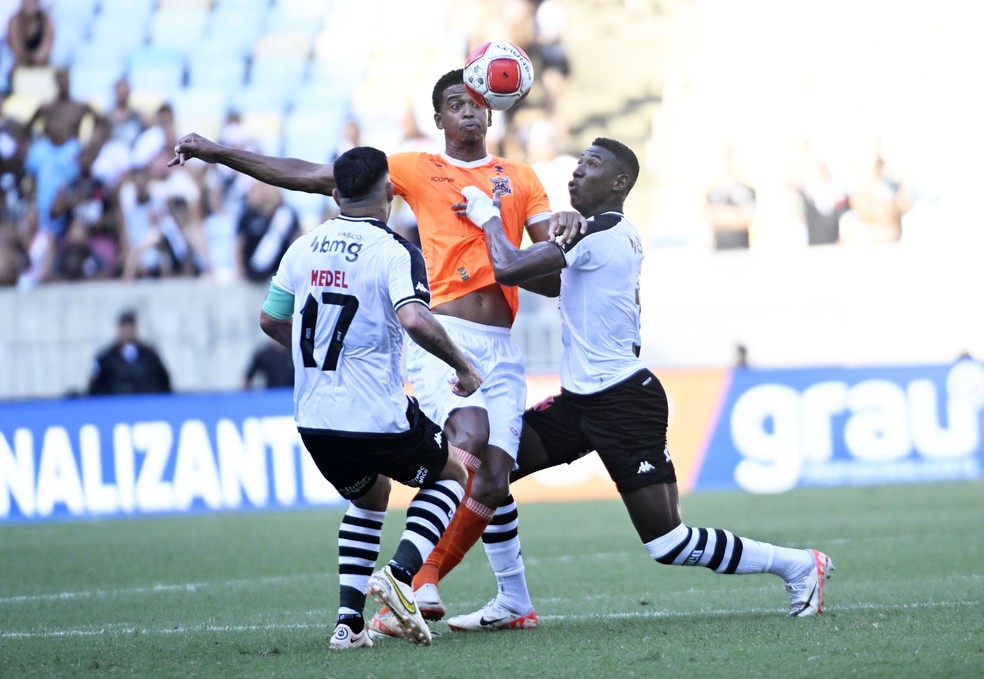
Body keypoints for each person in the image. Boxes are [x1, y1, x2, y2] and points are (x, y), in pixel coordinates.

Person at [171, 69, 584, 635]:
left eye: (476, 103)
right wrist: (217, 153)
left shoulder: (522, 178)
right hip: (445, 334)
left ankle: (511, 600)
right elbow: (315, 176)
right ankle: (413, 579)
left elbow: (547, 272)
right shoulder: (412, 168)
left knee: (491, 477)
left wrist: (563, 228)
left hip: (501, 345)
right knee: (464, 446)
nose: (468, 111)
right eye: (454, 104)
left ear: (492, 111)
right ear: (437, 118)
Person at [449, 137, 834, 624]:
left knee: (668, 542)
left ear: (619, 182)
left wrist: (488, 217)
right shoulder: (605, 232)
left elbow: (508, 267)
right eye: (576, 165)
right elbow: (544, 279)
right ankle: (513, 601)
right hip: (580, 402)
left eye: (589, 166)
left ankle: (800, 565)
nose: (575, 173)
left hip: (624, 402)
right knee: (492, 472)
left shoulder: (599, 234)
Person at [256, 146, 483, 648]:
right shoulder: (396, 250)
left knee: (370, 497)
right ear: (389, 192)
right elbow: (414, 317)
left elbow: (271, 320)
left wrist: (313, 352)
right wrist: (463, 366)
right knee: (453, 476)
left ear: (335, 194)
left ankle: (348, 624)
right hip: (376, 413)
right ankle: (400, 575)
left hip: (314, 417)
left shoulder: (302, 246)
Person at [88, 310, 172, 395]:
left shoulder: (150, 356)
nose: (127, 332)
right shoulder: (105, 358)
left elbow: (164, 382)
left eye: (131, 327)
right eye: (124, 327)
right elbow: (94, 386)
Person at [6, 0, 54, 70]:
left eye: (33, 2)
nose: (30, 5)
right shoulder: (15, 21)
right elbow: (16, 46)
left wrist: (36, 59)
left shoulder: (45, 21)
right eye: (27, 2)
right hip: (20, 66)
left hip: (41, 67)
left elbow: (46, 45)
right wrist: (26, 59)